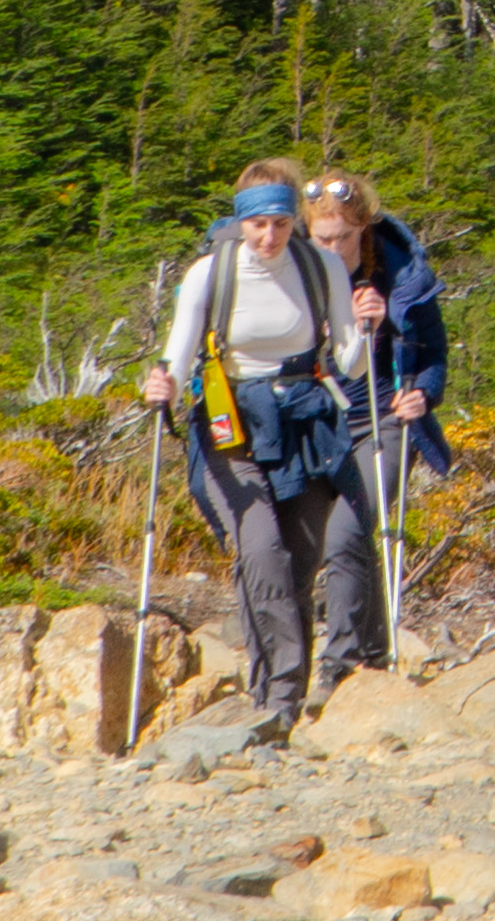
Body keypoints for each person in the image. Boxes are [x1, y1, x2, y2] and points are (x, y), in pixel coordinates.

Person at [135, 161, 369, 743]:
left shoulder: (321, 269)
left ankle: (275, 697)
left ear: (295, 220)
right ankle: (281, 697)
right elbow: (179, 355)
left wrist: (365, 331)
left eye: (282, 224)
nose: (270, 238)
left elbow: (349, 359)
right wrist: (160, 383)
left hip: (303, 422)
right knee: (260, 548)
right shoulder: (209, 276)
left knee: (300, 557)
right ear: (241, 221)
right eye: (259, 224)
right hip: (228, 422)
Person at [303, 169, 449, 681]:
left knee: (347, 533)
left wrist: (423, 394)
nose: (334, 247)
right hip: (320, 420)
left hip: (385, 419)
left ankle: (338, 664)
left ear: (363, 226)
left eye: (344, 236)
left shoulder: (401, 273)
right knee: (336, 538)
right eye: (323, 238)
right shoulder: (298, 273)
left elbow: (433, 352)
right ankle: (373, 650)